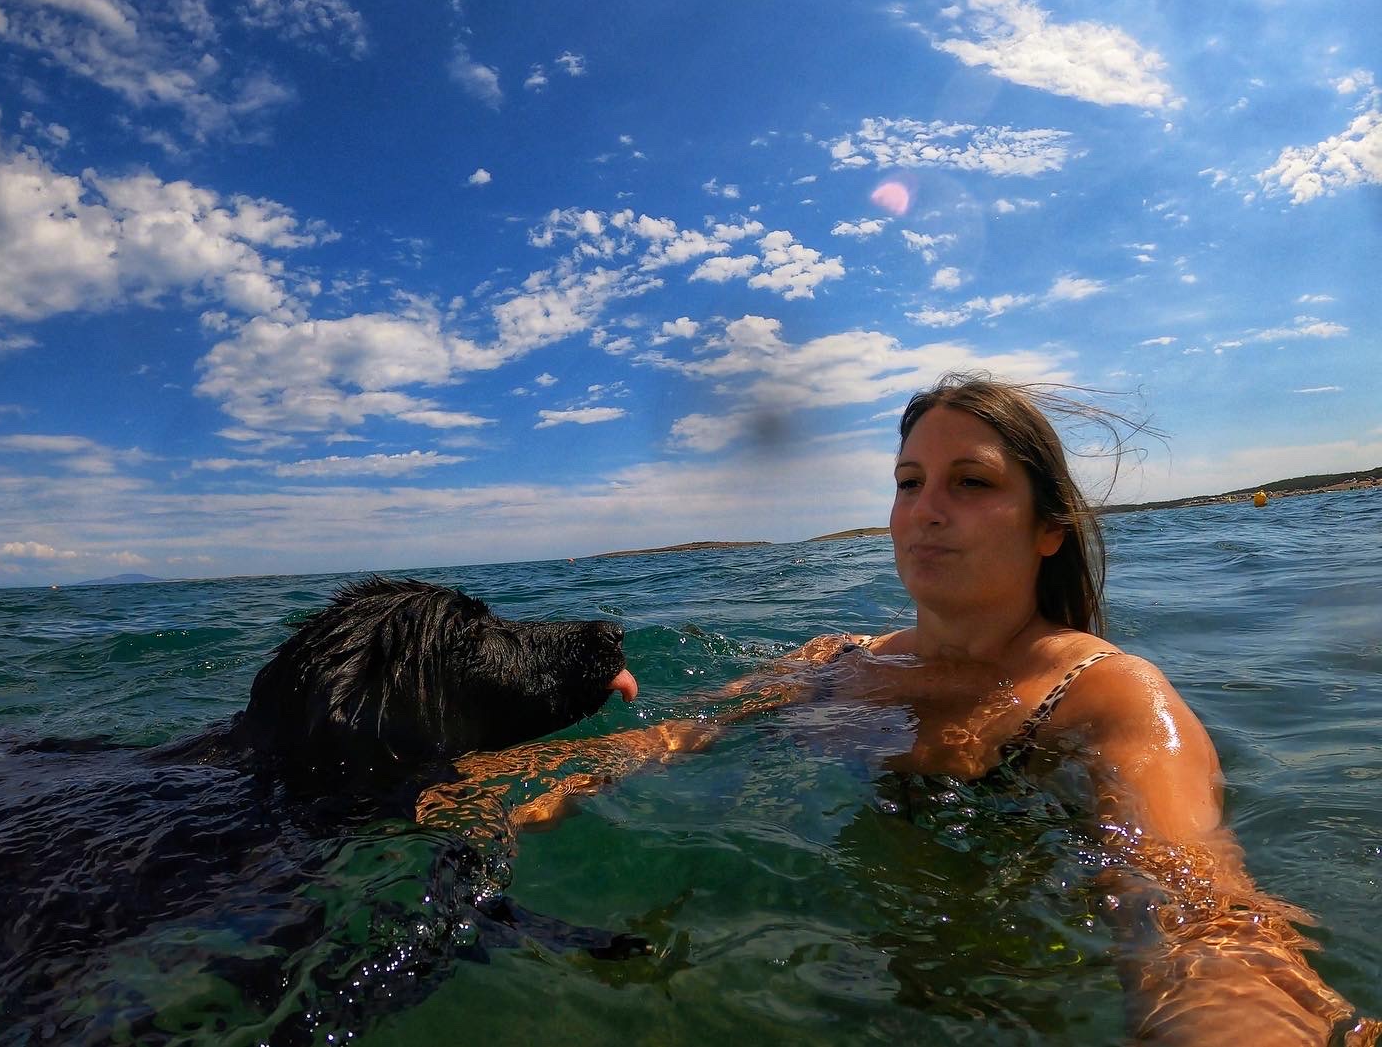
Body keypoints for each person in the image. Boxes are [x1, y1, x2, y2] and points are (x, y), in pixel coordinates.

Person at [416, 372, 1377, 1045]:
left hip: (1025, 991)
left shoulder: (1105, 694)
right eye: (908, 483)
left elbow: (1198, 913)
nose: (925, 508)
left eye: (971, 483)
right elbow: (671, 738)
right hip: (839, 972)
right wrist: (497, 792)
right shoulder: (832, 660)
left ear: (1049, 528)